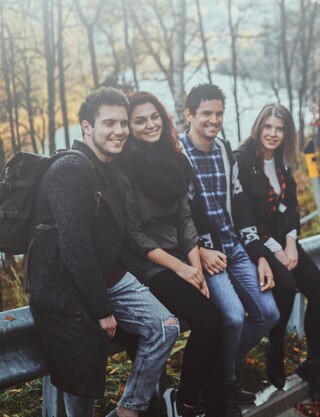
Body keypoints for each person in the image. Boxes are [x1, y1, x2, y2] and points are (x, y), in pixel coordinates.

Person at [27, 87, 178, 417]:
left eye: (123, 123)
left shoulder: (105, 166)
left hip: (102, 273)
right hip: (65, 286)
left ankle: (129, 409)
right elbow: (74, 246)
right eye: (109, 123)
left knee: (165, 326)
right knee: (81, 381)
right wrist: (102, 309)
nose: (120, 131)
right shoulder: (71, 170)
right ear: (86, 127)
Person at [115, 91, 227, 417]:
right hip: (150, 263)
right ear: (131, 127)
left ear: (164, 120)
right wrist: (180, 268)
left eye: (154, 117)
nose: (150, 125)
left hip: (181, 255)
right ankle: (185, 401)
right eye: (140, 120)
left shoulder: (173, 159)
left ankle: (217, 407)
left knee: (212, 323)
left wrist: (197, 269)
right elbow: (132, 233)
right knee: (209, 319)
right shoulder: (124, 168)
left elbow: (184, 218)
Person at [180, 83, 280, 413]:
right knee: (234, 318)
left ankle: (222, 368)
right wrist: (198, 249)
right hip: (205, 252)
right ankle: (223, 384)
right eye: (206, 113)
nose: (214, 120)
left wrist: (260, 255)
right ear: (189, 115)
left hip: (233, 246)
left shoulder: (224, 150)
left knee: (268, 313)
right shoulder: (178, 155)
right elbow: (177, 214)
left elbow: (238, 206)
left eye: (219, 113)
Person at [234, 103, 320, 402]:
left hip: (284, 239)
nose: (273, 134)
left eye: (279, 129)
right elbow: (245, 214)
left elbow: (291, 205)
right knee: (287, 286)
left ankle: (314, 363)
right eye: (268, 127)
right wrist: (276, 249)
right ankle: (275, 347)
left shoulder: (282, 161)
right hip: (255, 241)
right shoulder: (241, 160)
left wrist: (291, 242)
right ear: (258, 126)